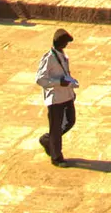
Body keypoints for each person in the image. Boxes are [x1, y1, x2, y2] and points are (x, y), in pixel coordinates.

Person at [36, 29, 78, 166]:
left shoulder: (62, 55)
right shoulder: (48, 58)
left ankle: (48, 140)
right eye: (65, 42)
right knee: (56, 127)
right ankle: (56, 157)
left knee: (70, 121)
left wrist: (71, 88)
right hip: (55, 98)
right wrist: (58, 82)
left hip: (66, 95)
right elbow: (40, 79)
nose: (66, 45)